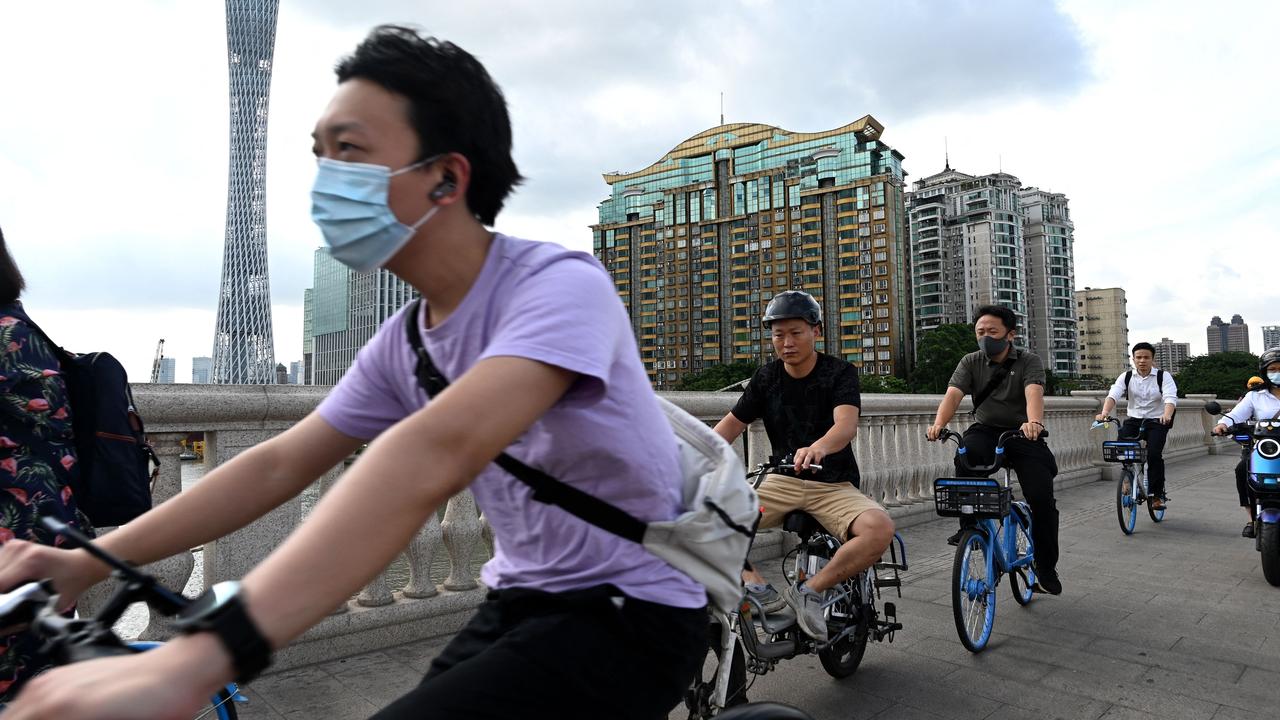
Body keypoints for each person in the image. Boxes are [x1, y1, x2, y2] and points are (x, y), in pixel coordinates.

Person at [0, 27, 707, 719]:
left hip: (630, 608)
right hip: (516, 600)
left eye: (351, 151)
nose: (328, 179)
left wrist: (201, 658)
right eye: (320, 155)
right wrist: (91, 557)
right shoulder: (407, 341)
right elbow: (279, 464)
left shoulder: (558, 285)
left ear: (446, 177)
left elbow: (436, 450)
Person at [712, 290, 895, 642]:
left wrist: (818, 448)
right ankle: (755, 585)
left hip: (833, 483)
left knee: (879, 529)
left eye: (796, 332)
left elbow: (845, 425)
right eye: (778, 335)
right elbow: (730, 426)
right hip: (781, 479)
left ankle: (809, 590)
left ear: (817, 331)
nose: (786, 343)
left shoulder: (839, 373)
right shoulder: (766, 378)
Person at [0, 228, 95, 703]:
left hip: (17, 542)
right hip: (49, 527)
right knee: (41, 678)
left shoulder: (7, 336)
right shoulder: (21, 329)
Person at [925, 305, 1062, 595]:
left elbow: (1033, 392)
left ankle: (1046, 566)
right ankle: (968, 524)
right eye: (980, 332)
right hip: (986, 430)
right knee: (965, 455)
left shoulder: (1029, 361)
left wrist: (1034, 422)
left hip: (1023, 433)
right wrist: (938, 424)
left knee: (1041, 499)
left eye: (993, 332)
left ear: (1010, 334)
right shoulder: (970, 361)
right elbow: (953, 395)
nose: (986, 337)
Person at [1095, 342, 1178, 510]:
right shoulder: (1126, 377)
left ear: (1153, 359)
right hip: (1135, 419)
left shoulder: (1163, 376)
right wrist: (1104, 412)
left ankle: (1156, 495)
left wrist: (1167, 415)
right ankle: (1127, 478)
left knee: (1154, 455)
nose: (1142, 361)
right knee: (1122, 450)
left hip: (1157, 420)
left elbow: (1170, 398)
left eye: (1146, 357)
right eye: (1138, 357)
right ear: (1133, 359)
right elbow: (1114, 395)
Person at [1215, 349, 1280, 539]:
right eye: (1273, 369)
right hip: (1265, 447)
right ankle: (1252, 518)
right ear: (1264, 372)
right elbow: (1236, 414)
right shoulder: (1255, 396)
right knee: (1243, 469)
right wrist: (1222, 424)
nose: (1277, 372)